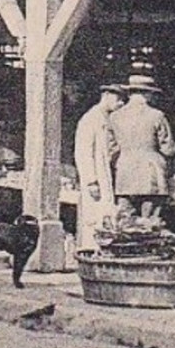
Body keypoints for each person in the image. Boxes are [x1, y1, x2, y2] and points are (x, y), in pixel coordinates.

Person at [108, 72, 175, 219]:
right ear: (147, 94)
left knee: (125, 221)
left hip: (124, 171)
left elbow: (111, 148)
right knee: (151, 221)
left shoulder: (115, 116)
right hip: (151, 172)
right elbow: (168, 148)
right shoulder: (156, 115)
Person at [73, 83, 124, 239]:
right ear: (106, 95)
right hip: (96, 180)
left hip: (107, 175)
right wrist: (91, 181)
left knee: (107, 219)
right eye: (118, 98)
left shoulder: (109, 119)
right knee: (94, 220)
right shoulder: (90, 119)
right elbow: (83, 152)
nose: (121, 103)